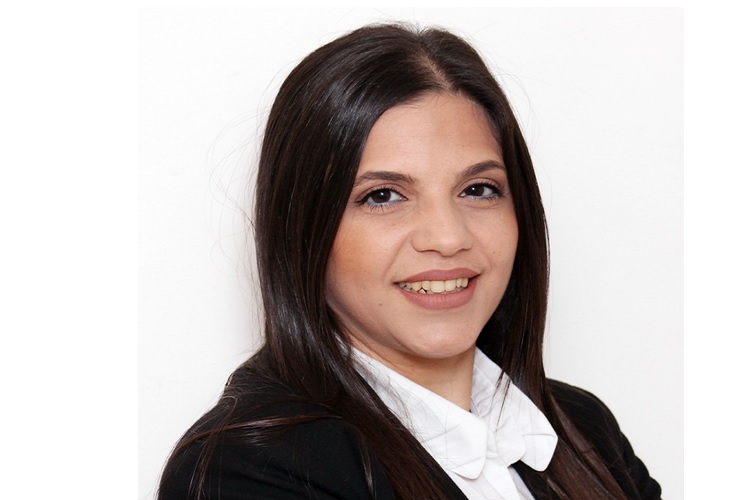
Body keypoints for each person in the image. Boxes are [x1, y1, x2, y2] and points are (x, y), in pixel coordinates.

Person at [158, 23, 661, 499]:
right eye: (382, 196)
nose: (448, 237)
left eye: (478, 189)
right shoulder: (250, 471)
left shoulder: (583, 430)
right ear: (303, 231)